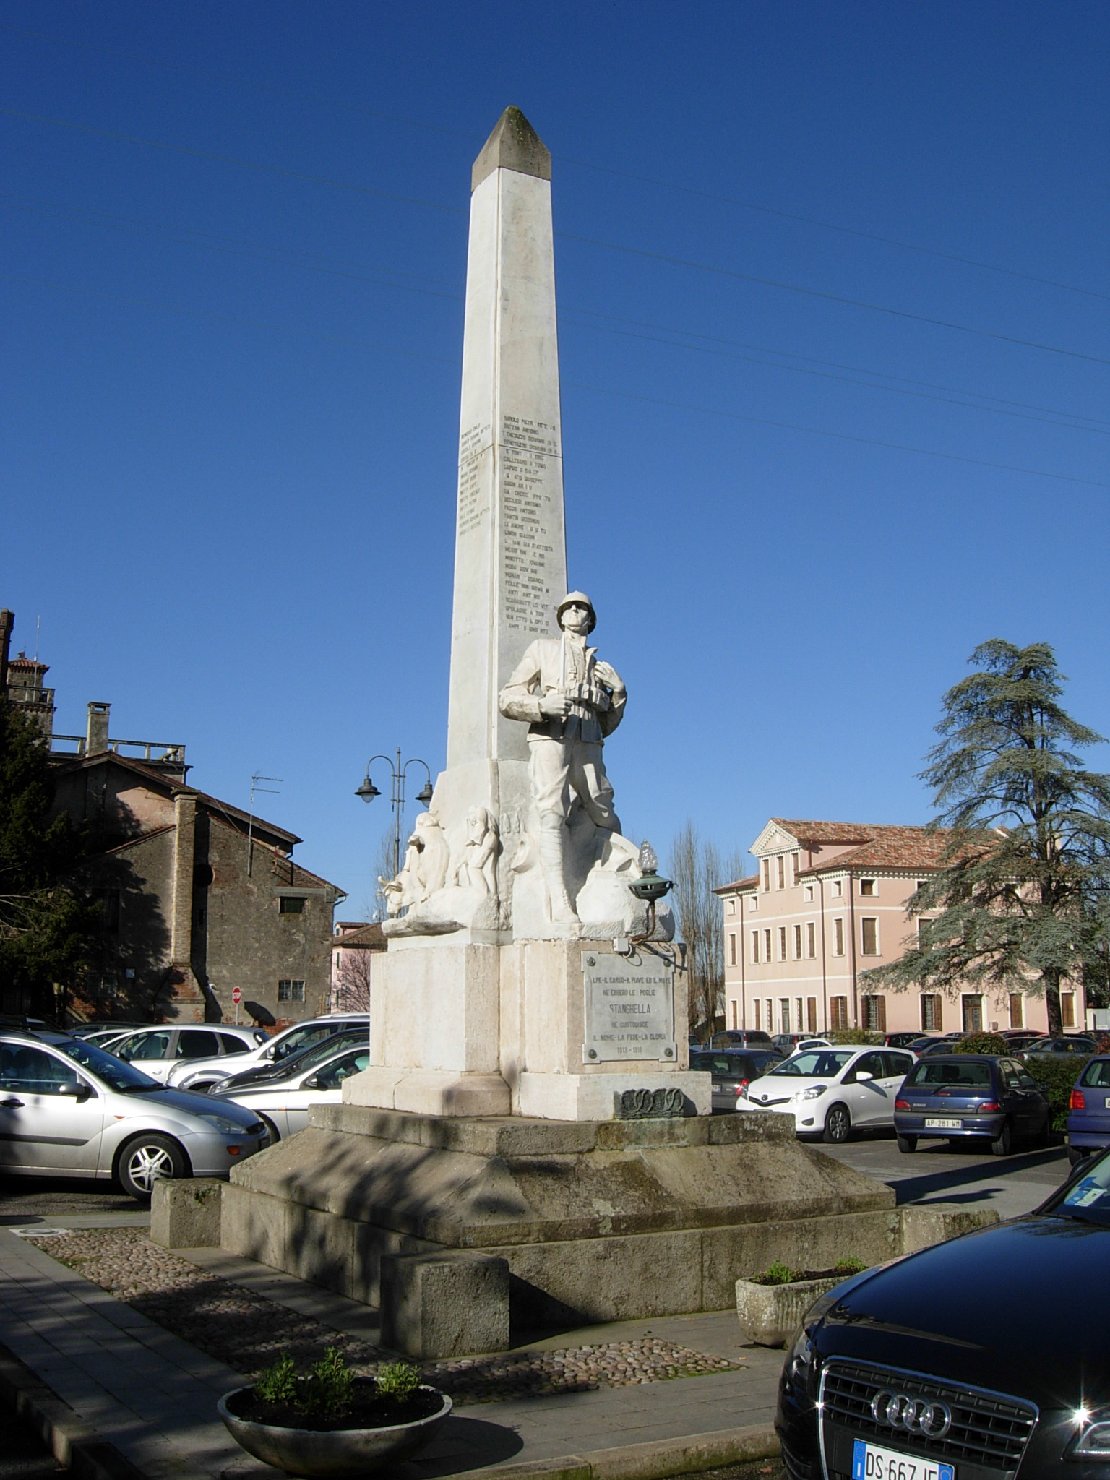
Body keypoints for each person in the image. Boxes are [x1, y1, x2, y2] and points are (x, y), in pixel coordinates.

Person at [498, 592, 626, 924]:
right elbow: (507, 697)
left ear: (590, 619)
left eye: (581, 607)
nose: (573, 611)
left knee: (603, 808)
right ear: (560, 617)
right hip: (550, 735)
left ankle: (615, 880)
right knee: (550, 811)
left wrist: (620, 692)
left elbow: (607, 726)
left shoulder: (599, 665)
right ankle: (560, 903)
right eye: (568, 607)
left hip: (588, 742)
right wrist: (541, 706)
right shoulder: (542, 650)